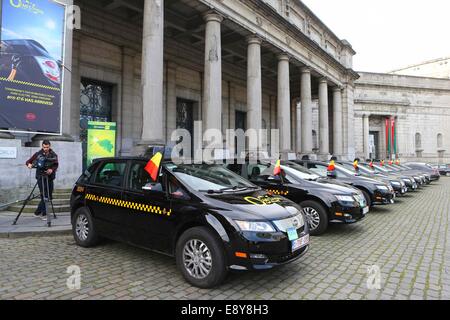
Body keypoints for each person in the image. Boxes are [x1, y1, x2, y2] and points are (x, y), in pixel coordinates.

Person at [26, 140, 59, 220]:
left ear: (50, 146)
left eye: (47, 147)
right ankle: (44, 214)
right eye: (44, 147)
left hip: (50, 177)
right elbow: (28, 162)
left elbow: (56, 165)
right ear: (42, 146)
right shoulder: (37, 154)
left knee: (49, 196)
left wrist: (52, 169)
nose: (45, 149)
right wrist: (29, 165)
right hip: (41, 177)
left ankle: (37, 212)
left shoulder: (54, 155)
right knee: (44, 195)